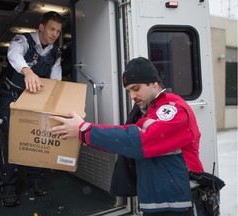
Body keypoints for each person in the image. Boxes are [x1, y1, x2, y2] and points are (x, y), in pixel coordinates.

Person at [49, 57, 209, 215]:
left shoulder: (174, 109)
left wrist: (84, 130)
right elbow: (124, 141)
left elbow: (139, 140)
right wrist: (82, 135)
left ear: (154, 83)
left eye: (136, 88)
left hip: (181, 204)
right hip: (163, 202)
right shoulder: (149, 109)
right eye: (129, 91)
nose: (132, 96)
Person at [0, 11, 63, 207]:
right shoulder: (23, 40)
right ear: (41, 27)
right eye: (51, 29)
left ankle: (36, 179)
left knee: (38, 136)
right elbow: (13, 54)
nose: (54, 34)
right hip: (12, 95)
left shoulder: (56, 52)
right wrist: (27, 71)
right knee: (12, 138)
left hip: (35, 98)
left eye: (58, 31)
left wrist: (55, 105)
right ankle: (8, 187)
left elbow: (55, 80)